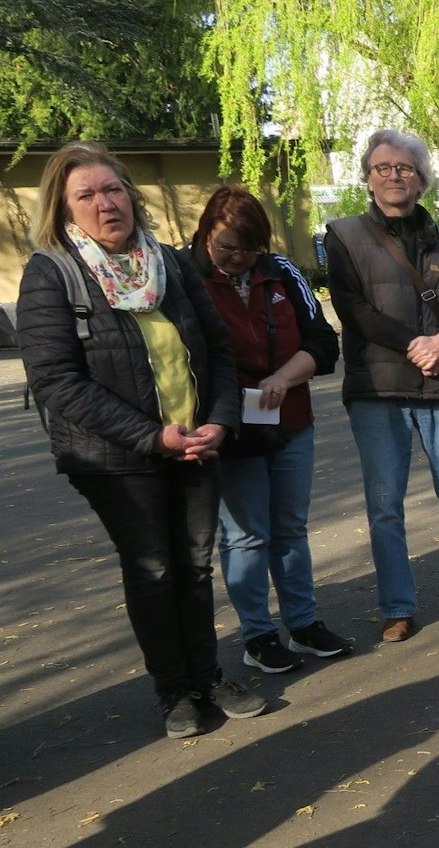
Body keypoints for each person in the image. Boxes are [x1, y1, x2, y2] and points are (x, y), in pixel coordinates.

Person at [18, 142, 267, 739]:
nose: (105, 204)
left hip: (195, 443)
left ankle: (207, 676)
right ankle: (175, 691)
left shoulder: (171, 264)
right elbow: (56, 382)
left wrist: (221, 423)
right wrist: (153, 437)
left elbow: (219, 350)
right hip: (116, 458)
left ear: (131, 194)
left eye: (113, 189)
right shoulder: (52, 273)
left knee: (195, 567)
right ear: (64, 208)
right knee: (154, 568)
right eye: (87, 195)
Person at [324, 128, 439, 642]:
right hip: (379, 389)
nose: (394, 175)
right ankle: (396, 606)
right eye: (383, 167)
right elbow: (353, 308)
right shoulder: (344, 235)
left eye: (405, 168)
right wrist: (415, 344)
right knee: (385, 504)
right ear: (367, 177)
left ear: (422, 179)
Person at [191, 184, 352, 674]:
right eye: (227, 248)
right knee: (245, 535)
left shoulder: (280, 272)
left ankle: (303, 624)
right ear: (206, 234)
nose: (238, 259)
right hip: (229, 426)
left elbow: (323, 343)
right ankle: (258, 634)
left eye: (249, 248)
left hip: (289, 419)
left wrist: (283, 377)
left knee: (289, 528)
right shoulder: (184, 275)